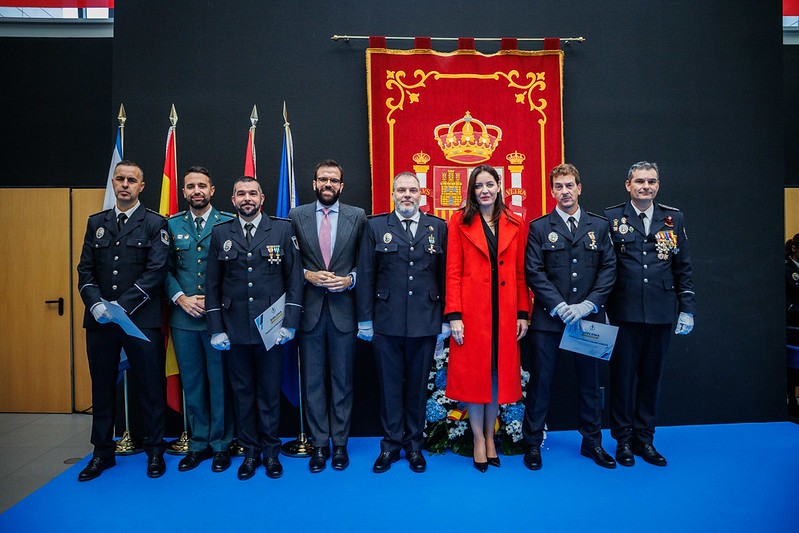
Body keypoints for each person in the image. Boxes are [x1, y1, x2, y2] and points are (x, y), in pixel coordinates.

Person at [76, 160, 169, 481]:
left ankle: (155, 449)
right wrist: (95, 303)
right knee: (101, 387)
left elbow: (156, 272)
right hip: (100, 320)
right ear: (113, 183)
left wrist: (121, 304)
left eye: (132, 180)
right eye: (120, 179)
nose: (125, 184)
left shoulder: (155, 223)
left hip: (140, 320)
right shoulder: (96, 223)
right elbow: (85, 270)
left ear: (142, 186)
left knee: (150, 386)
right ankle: (102, 452)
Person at [205, 176, 303, 480]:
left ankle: (271, 453)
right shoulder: (221, 233)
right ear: (233, 200)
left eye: (252, 193)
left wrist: (290, 323)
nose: (247, 198)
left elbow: (295, 280)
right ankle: (249, 452)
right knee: (243, 392)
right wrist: (216, 328)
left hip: (271, 329)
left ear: (262, 198)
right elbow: (212, 284)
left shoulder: (283, 229)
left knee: (269, 394)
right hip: (235, 329)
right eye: (240, 194)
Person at [523, 163, 617, 470]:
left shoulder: (599, 226)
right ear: (551, 192)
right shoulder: (539, 227)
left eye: (569, 185)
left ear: (580, 188)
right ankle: (533, 443)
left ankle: (592, 442)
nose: (565, 192)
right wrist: (557, 305)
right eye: (559, 187)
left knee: (590, 384)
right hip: (550, 320)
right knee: (541, 383)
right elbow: (533, 271)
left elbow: (608, 269)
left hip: (588, 319)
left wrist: (587, 305)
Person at [356, 171, 449, 473]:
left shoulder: (438, 227)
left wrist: (446, 319)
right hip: (387, 322)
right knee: (390, 387)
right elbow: (367, 274)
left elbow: (445, 276)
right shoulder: (375, 226)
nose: (407, 195)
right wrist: (365, 320)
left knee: (417, 388)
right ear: (392, 194)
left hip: (425, 321)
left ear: (422, 194)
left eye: (412, 190)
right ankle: (390, 446)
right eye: (401, 190)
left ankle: (415, 447)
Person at [604, 161, 696, 467]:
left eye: (652, 181)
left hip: (660, 312)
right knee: (622, 380)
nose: (646, 186)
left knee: (650, 380)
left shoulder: (673, 218)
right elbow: (605, 268)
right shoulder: (612, 218)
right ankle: (623, 441)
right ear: (628, 185)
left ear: (658, 185)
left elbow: (683, 267)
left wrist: (687, 309)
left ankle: (645, 439)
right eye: (640, 181)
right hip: (623, 312)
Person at [445, 164, 529, 473]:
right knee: (475, 379)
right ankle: (478, 438)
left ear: (499, 187)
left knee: (495, 378)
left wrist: (523, 313)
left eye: (489, 184)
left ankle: (491, 438)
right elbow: (452, 271)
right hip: (472, 313)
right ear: (472, 190)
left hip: (505, 314)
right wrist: (454, 315)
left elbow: (521, 274)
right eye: (478, 185)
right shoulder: (459, 222)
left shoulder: (516, 222)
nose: (484, 190)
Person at [289, 159, 367, 473]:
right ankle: (319, 445)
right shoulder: (296, 216)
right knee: (313, 383)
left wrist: (351, 279)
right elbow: (288, 261)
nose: (328, 185)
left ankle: (340, 445)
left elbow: (368, 262)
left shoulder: (357, 217)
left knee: (343, 382)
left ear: (342, 186)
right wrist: (307, 275)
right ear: (314, 183)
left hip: (344, 312)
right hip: (308, 311)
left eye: (334, 180)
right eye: (323, 179)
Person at [165, 166, 235, 473]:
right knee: (192, 384)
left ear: (212, 190)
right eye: (190, 186)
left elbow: (236, 271)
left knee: (219, 384)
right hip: (184, 319)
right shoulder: (171, 225)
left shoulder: (228, 224)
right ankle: (198, 444)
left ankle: (221, 445)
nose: (196, 191)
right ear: (183, 192)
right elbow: (162, 269)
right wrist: (180, 297)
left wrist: (216, 302)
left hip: (218, 319)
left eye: (202, 186)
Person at [784, 234, 799, 416]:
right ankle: (792, 401)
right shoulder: (786, 268)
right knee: (793, 369)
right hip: (793, 325)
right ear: (794, 248)